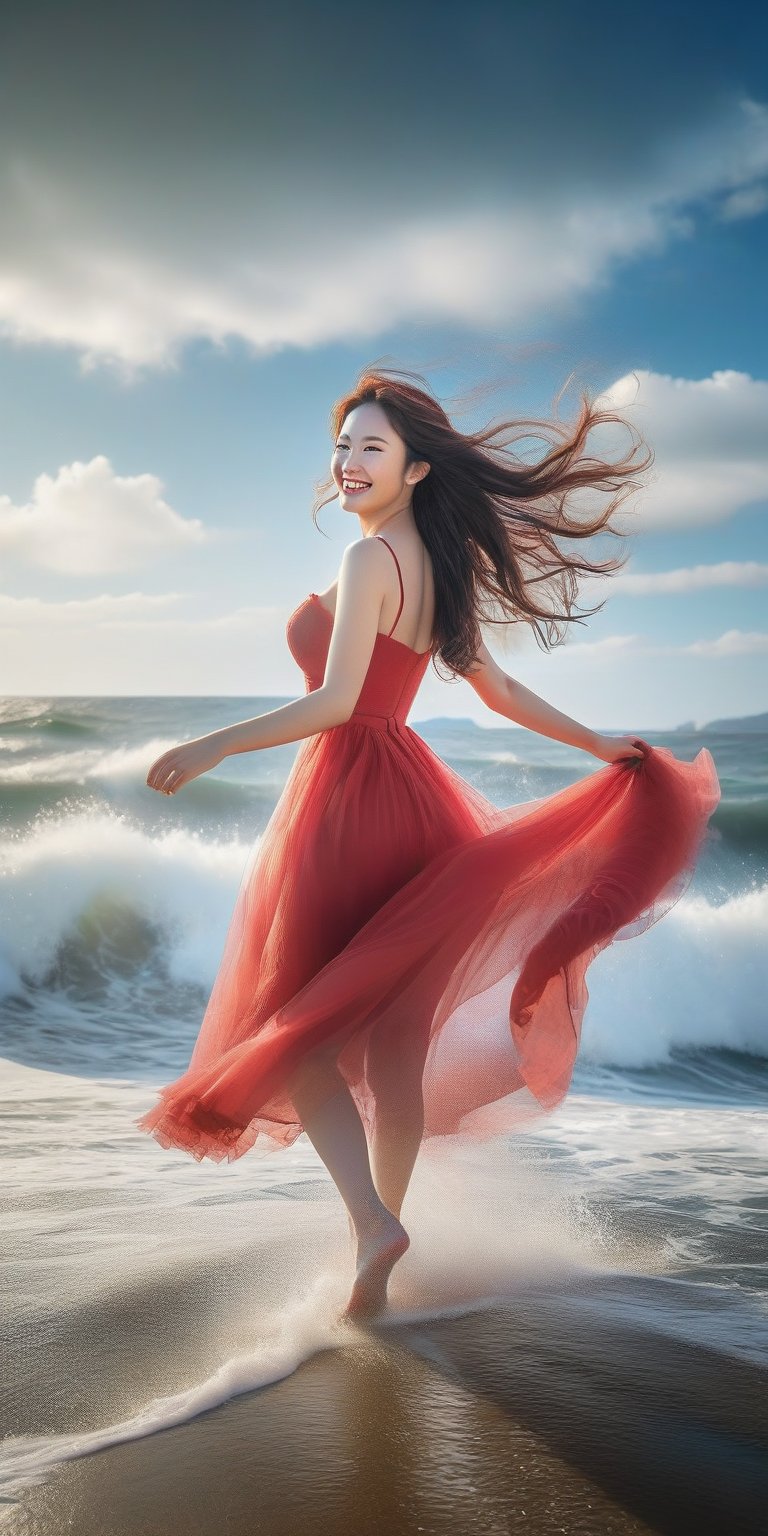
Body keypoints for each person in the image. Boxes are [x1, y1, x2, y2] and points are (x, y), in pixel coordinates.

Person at [138, 365, 720, 1321]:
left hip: (345, 799)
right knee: (394, 1044)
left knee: (296, 1039)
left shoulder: (369, 562)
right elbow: (496, 690)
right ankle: (379, 1253)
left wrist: (209, 745)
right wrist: (599, 742)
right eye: (343, 445)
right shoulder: (437, 566)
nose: (351, 461)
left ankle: (371, 1224)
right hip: (412, 800)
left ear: (414, 469)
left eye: (372, 446)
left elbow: (335, 704)